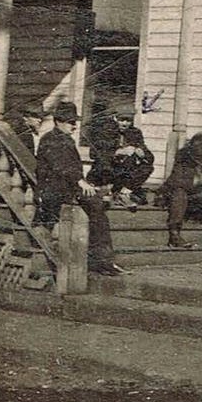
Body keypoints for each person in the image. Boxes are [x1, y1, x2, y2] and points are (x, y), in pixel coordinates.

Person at [33, 101, 128, 276]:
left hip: (68, 186)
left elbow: (72, 167)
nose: (74, 126)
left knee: (97, 206)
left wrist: (84, 182)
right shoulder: (50, 139)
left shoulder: (65, 138)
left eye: (75, 121)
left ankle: (103, 260)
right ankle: (102, 261)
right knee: (96, 207)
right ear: (58, 121)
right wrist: (80, 181)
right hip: (53, 189)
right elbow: (60, 165)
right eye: (70, 122)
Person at [86, 105, 154, 211]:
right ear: (115, 117)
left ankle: (124, 193)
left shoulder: (135, 133)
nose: (125, 123)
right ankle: (109, 191)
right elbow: (94, 154)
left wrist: (142, 152)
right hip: (106, 171)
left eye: (128, 121)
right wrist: (119, 152)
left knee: (147, 167)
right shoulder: (103, 130)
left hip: (124, 174)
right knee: (104, 163)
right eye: (122, 120)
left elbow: (150, 157)